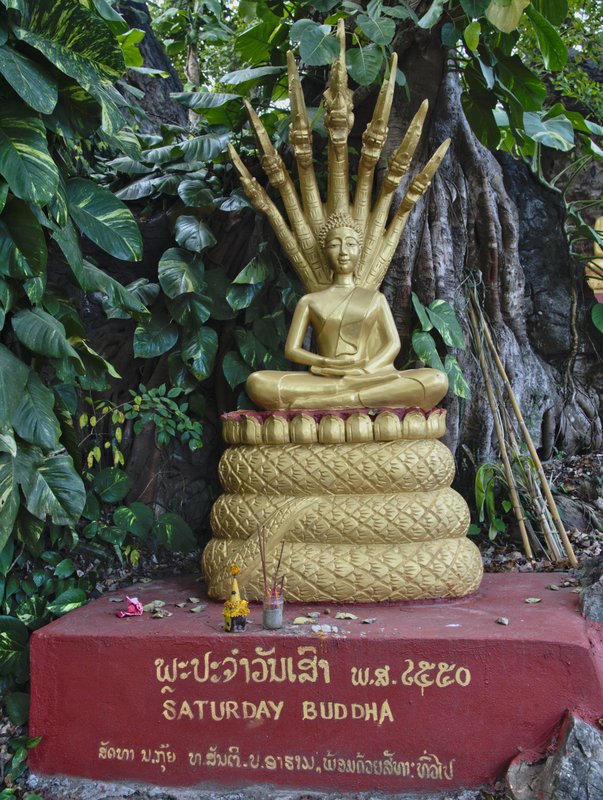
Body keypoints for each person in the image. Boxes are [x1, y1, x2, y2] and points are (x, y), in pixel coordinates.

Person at [246, 213, 448, 411]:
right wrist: (325, 362)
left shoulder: (375, 299)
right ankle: (354, 398)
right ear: (325, 252)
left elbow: (393, 344)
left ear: (360, 251)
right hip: (323, 378)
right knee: (258, 382)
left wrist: (363, 371)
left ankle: (336, 400)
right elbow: (292, 350)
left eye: (350, 244)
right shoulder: (309, 301)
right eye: (334, 245)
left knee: (436, 379)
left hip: (367, 376)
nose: (343, 251)